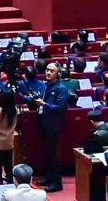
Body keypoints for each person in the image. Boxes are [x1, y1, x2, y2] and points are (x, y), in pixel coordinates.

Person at [37, 62, 69, 192]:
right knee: (47, 154)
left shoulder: (61, 89)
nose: (48, 73)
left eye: (51, 71)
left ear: (58, 74)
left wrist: (44, 104)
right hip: (44, 123)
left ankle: (57, 183)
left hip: (54, 125)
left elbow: (60, 108)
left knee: (54, 155)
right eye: (47, 70)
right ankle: (49, 177)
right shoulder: (45, 86)